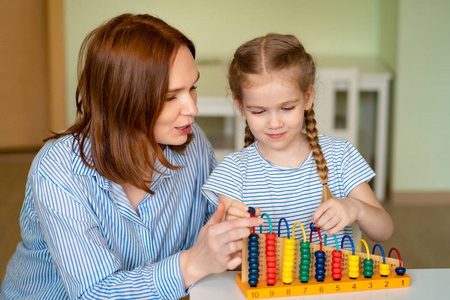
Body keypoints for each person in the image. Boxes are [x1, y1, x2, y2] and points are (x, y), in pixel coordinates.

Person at [0, 13, 262, 300]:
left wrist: (235, 227)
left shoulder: (191, 141)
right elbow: (95, 293)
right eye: (170, 97)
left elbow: (212, 226)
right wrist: (192, 263)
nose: (192, 109)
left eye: (192, 88)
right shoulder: (60, 170)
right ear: (124, 100)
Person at [202, 33, 393, 248]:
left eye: (287, 108)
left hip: (335, 282)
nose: (274, 123)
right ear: (240, 106)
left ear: (308, 97)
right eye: (258, 111)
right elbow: (227, 256)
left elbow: (384, 230)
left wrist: (356, 208)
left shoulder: (340, 156)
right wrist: (232, 230)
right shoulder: (233, 173)